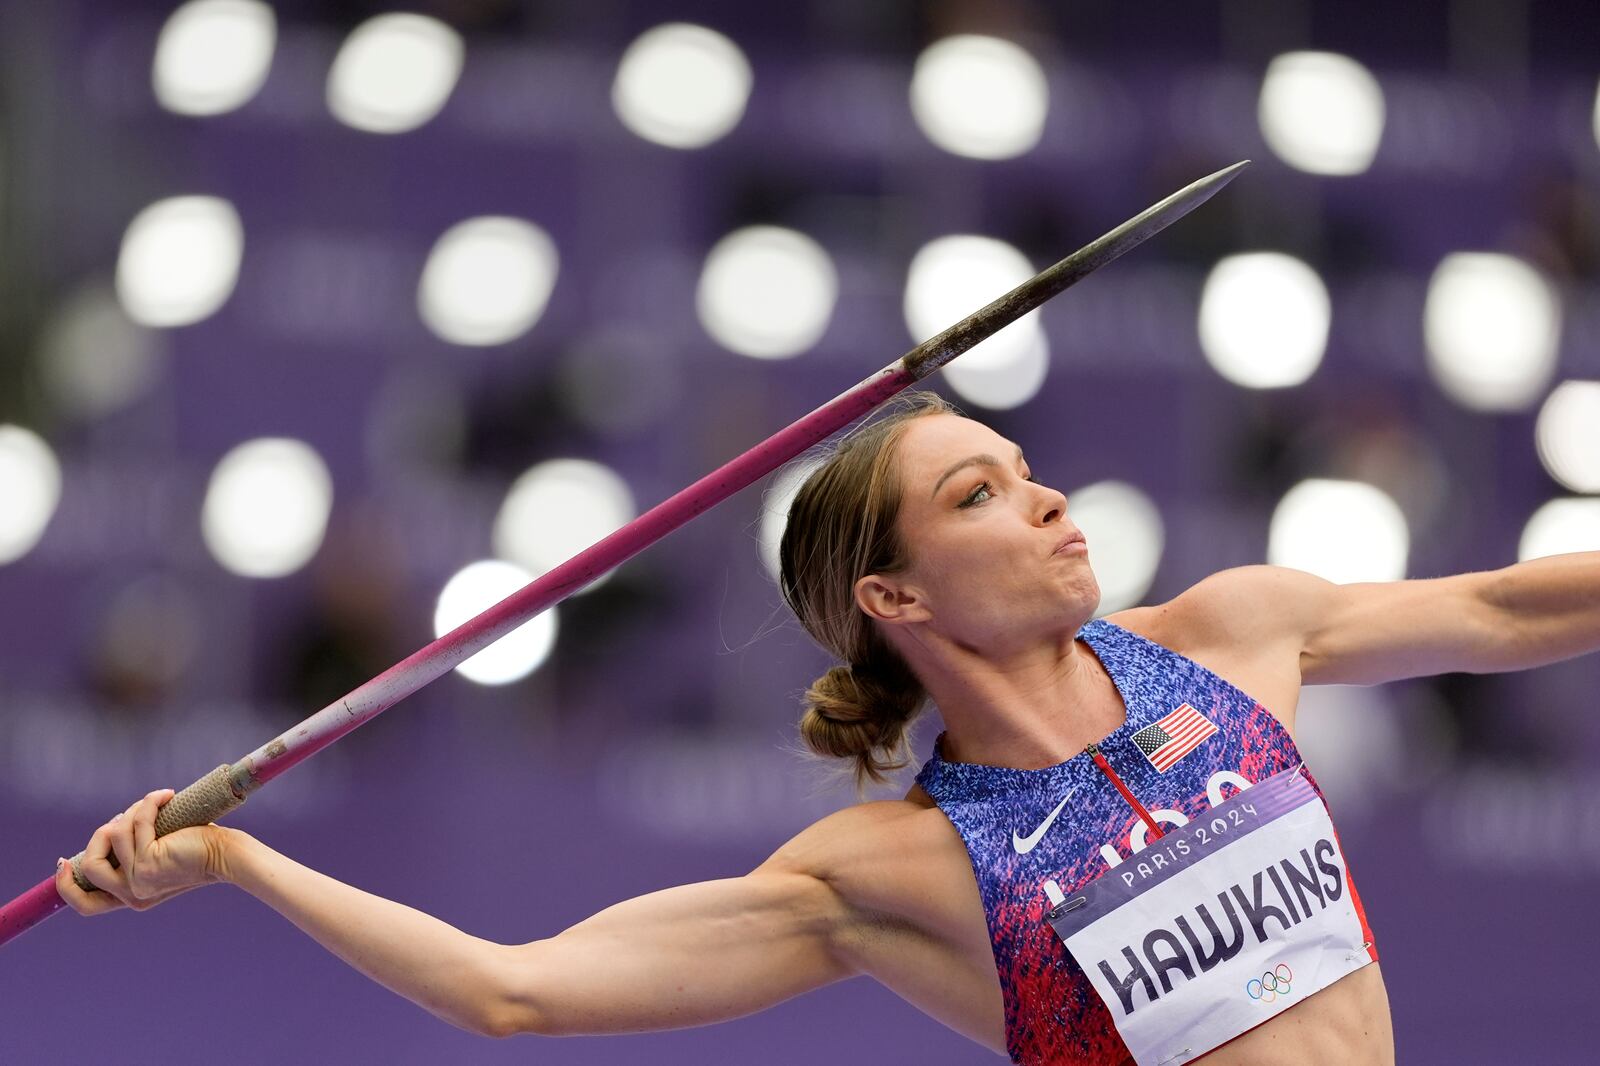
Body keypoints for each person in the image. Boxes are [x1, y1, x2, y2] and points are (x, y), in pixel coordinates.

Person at [57, 392, 1600, 1064]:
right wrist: (244, 865)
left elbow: (1518, 613)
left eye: (1022, 462)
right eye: (976, 493)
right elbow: (514, 993)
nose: (1045, 495)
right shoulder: (891, 875)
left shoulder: (1238, 637)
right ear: (900, 597)